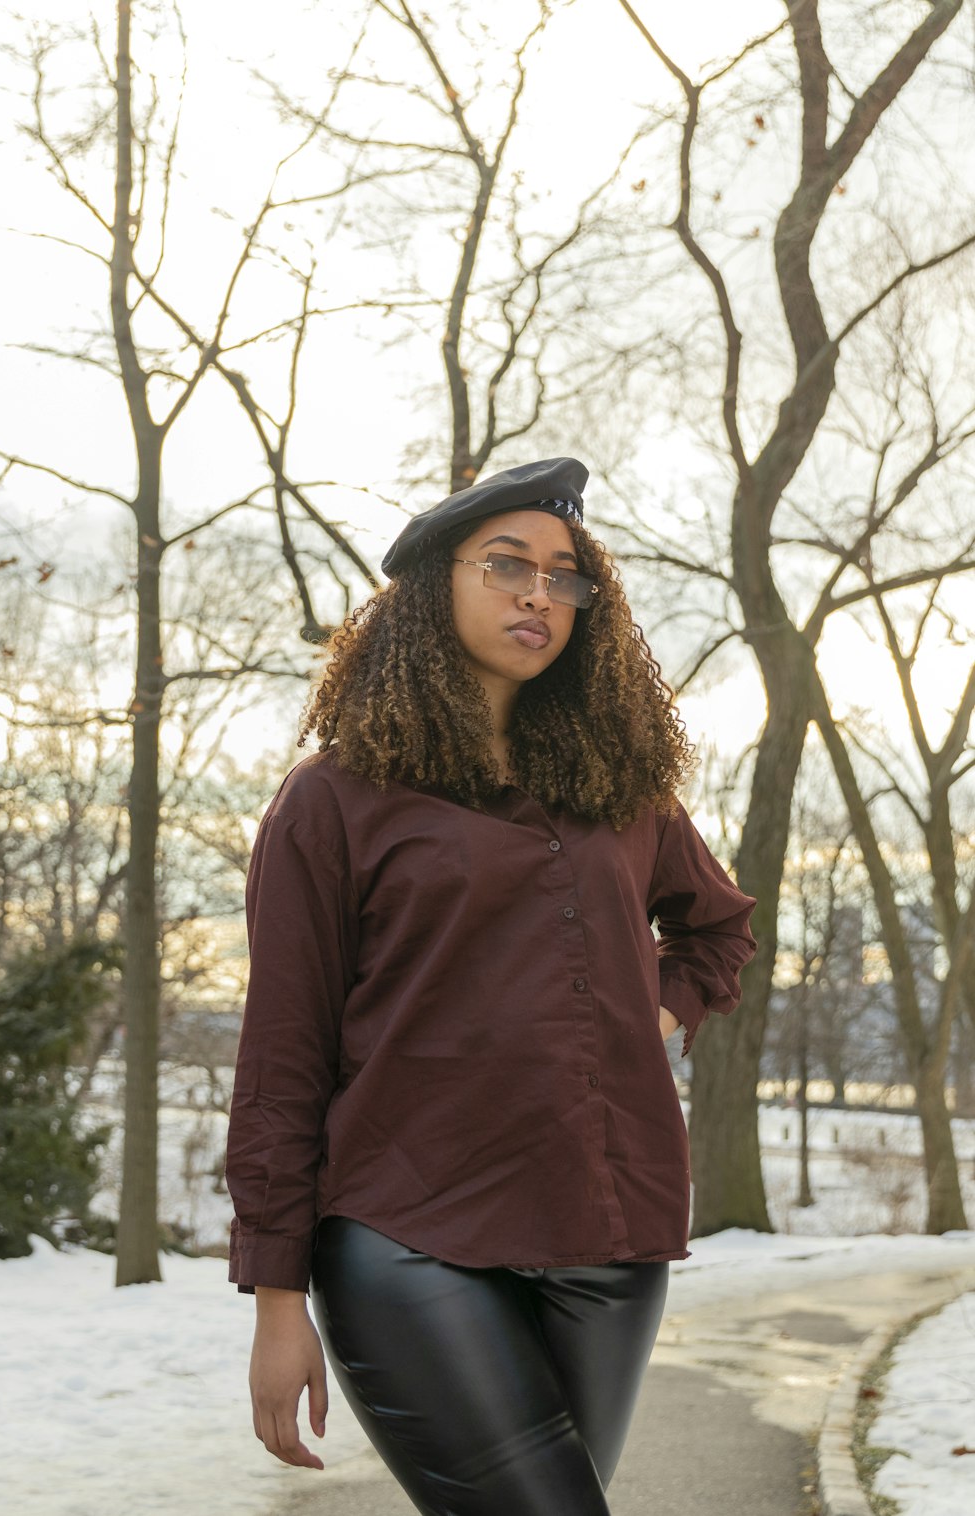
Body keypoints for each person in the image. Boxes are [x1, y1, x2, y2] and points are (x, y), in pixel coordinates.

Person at [225, 456, 757, 1516]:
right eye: (508, 565)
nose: (537, 595)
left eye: (565, 577)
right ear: (432, 586)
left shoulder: (621, 792)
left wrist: (643, 1013)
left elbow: (716, 928)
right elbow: (282, 1053)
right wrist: (278, 1300)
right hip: (410, 1233)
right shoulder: (333, 801)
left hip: (607, 1241)